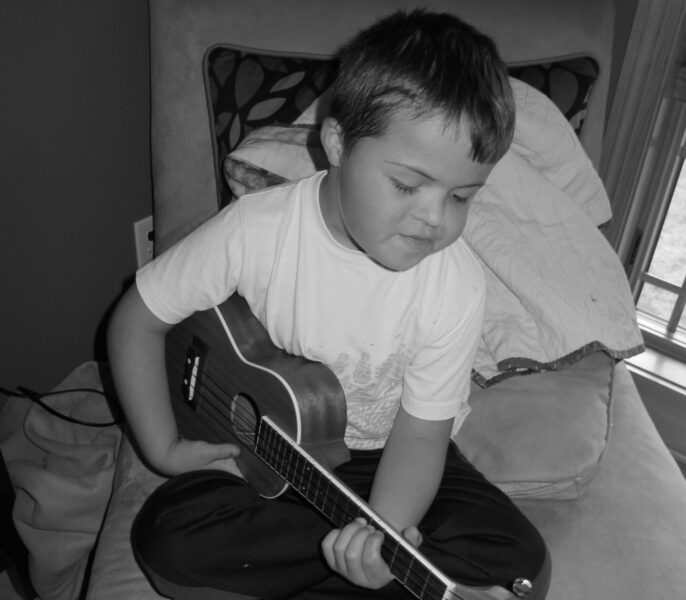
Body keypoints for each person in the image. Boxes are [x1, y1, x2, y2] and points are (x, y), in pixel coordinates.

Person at [107, 9, 550, 600]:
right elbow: (136, 320)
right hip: (264, 449)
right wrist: (162, 448)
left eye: (462, 196)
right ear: (338, 143)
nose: (434, 219)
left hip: (388, 454)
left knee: (518, 564)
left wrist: (380, 536)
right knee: (168, 539)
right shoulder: (255, 231)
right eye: (407, 184)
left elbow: (421, 438)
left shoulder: (455, 286)